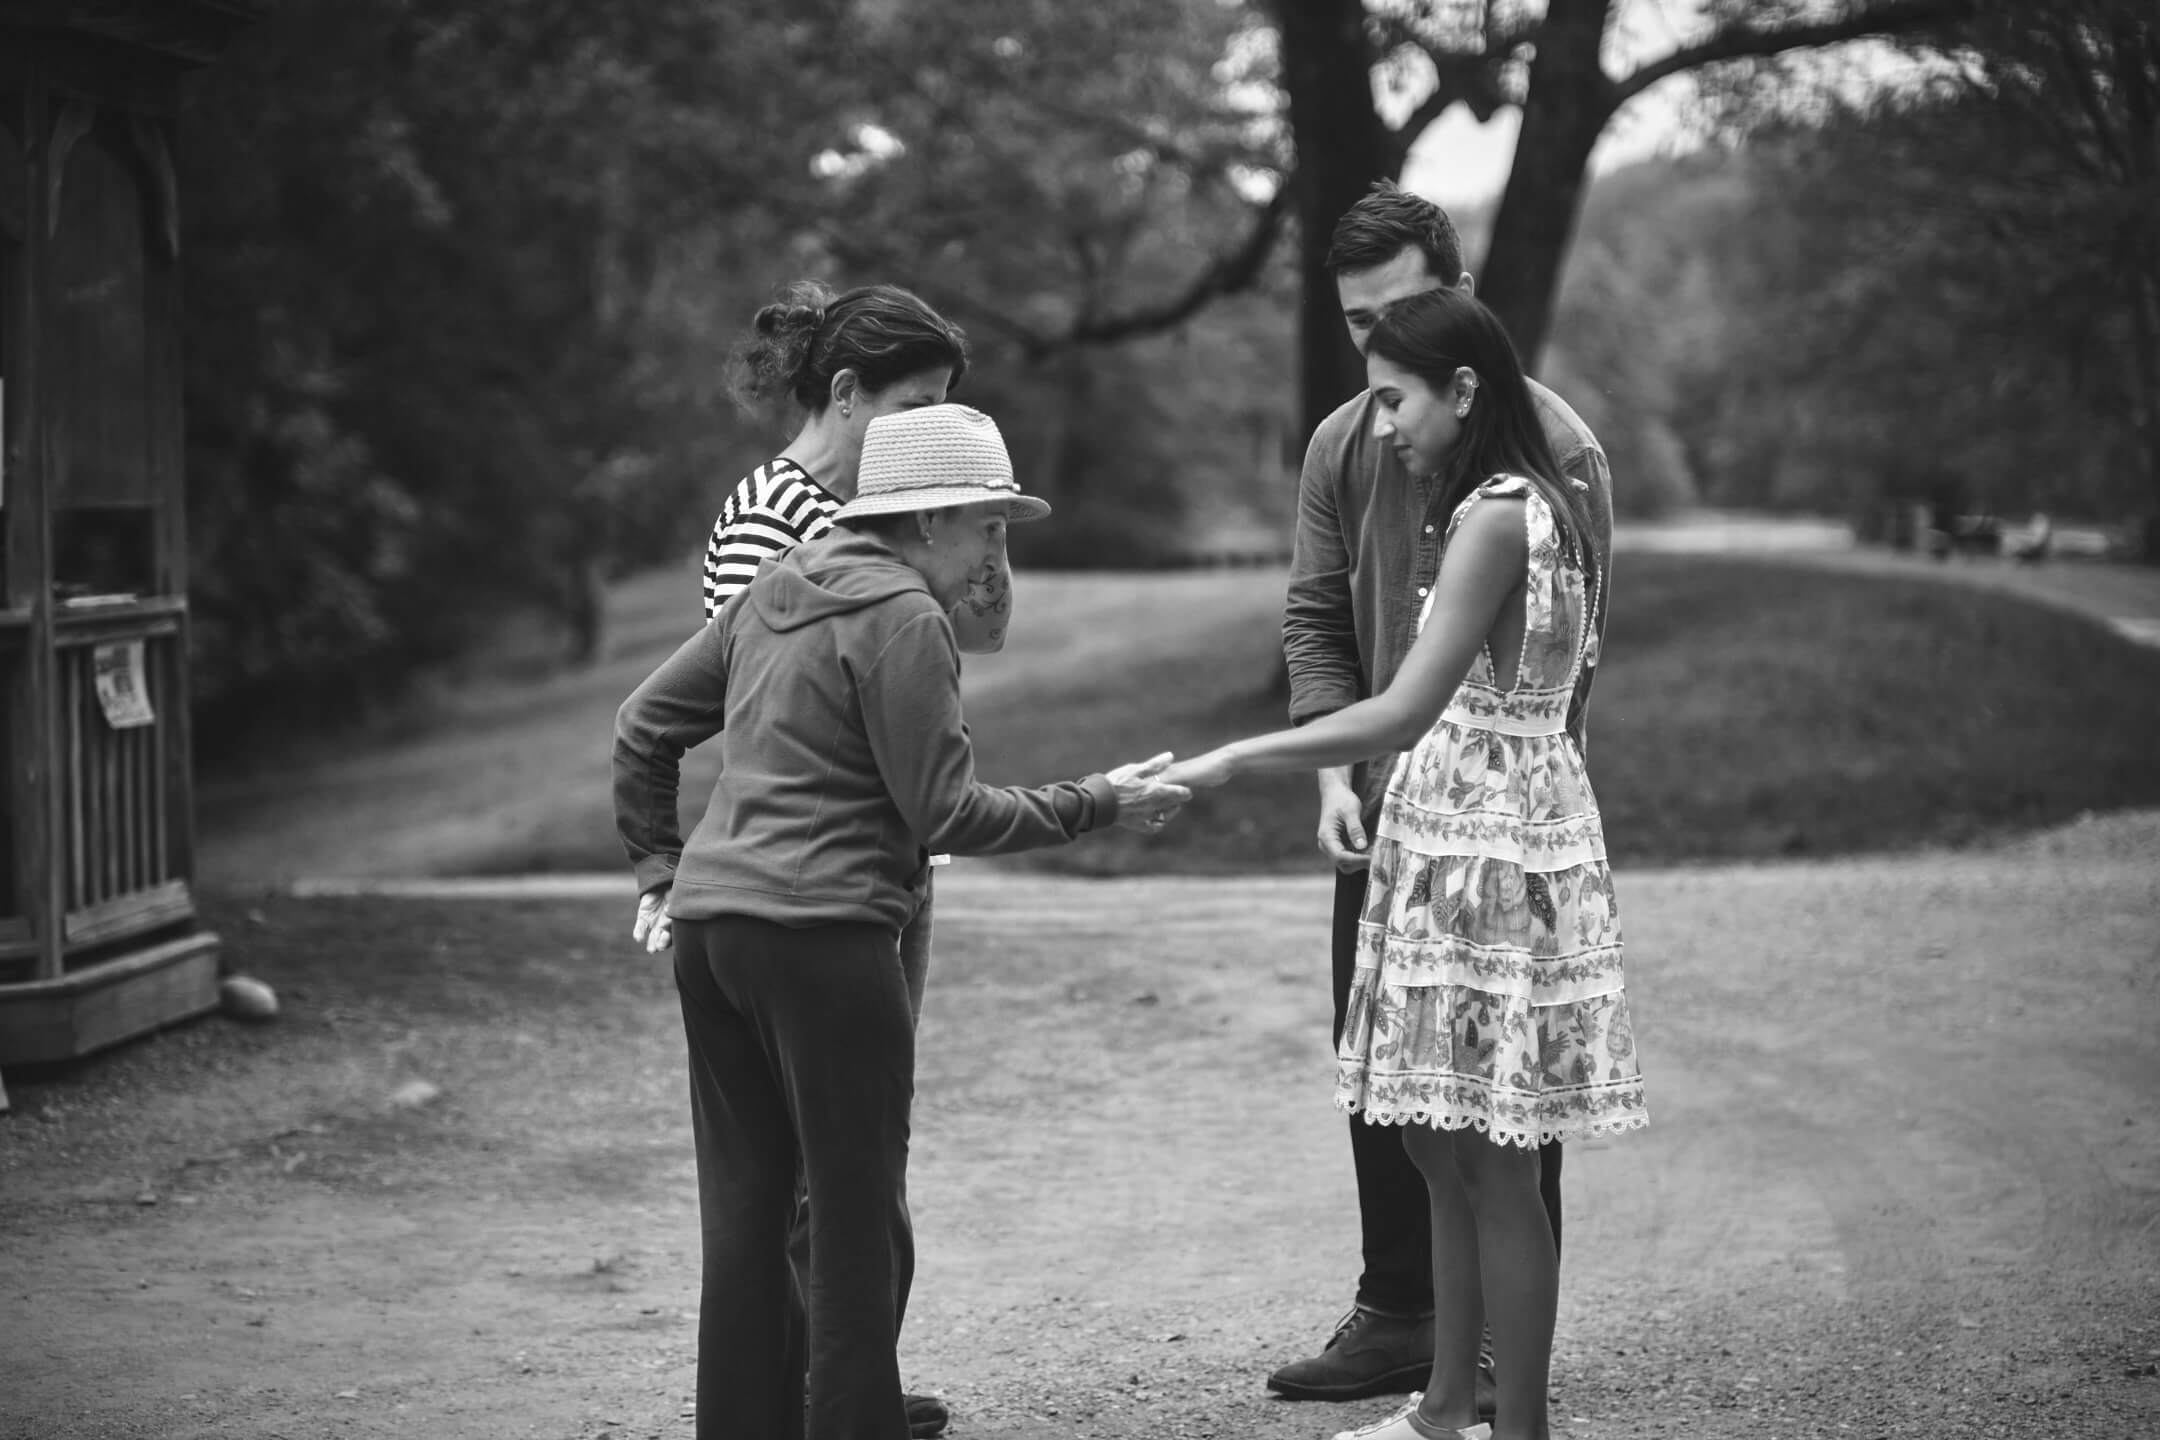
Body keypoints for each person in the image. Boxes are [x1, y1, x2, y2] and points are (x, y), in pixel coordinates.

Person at [615, 402, 1190, 1440]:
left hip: (714, 939)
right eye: (989, 524)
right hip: (825, 940)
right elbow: (948, 811)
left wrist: (662, 868)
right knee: (851, 1229)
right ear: (926, 521)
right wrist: (1095, 800)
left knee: (745, 1224)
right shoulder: (905, 618)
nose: (995, 551)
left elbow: (643, 725)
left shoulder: (779, 587)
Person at [1165, 287, 1646, 1440]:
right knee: (1437, 1141)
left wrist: (1239, 758)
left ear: (1464, 391)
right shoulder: (1529, 500)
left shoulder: (1497, 513)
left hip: (1482, 844)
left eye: (1395, 399)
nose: (1381, 426)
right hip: (1465, 831)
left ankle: (1510, 1422)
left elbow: (1403, 708)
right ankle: (1441, 1410)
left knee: (1490, 1157)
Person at [1273, 181, 1617, 1410]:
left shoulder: (1559, 454)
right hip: (1378, 801)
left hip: (1492, 818)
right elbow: (1316, 619)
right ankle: (1399, 1315)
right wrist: (1327, 772)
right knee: (1391, 1077)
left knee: (1503, 1096)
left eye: (1402, 314)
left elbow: (1572, 657)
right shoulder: (1342, 442)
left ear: (1460, 299)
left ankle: (1492, 1364)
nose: (1379, 345)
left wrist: (1524, 816)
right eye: (1359, 324)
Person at [699, 281, 995, 1439]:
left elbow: (977, 626)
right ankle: (815, 1393)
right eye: (913, 404)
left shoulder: (909, 506)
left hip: (892, 860)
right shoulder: (772, 511)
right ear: (843, 394)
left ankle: (847, 1376)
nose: (928, 429)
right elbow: (746, 696)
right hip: (815, 876)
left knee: (868, 1140)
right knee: (816, 1158)